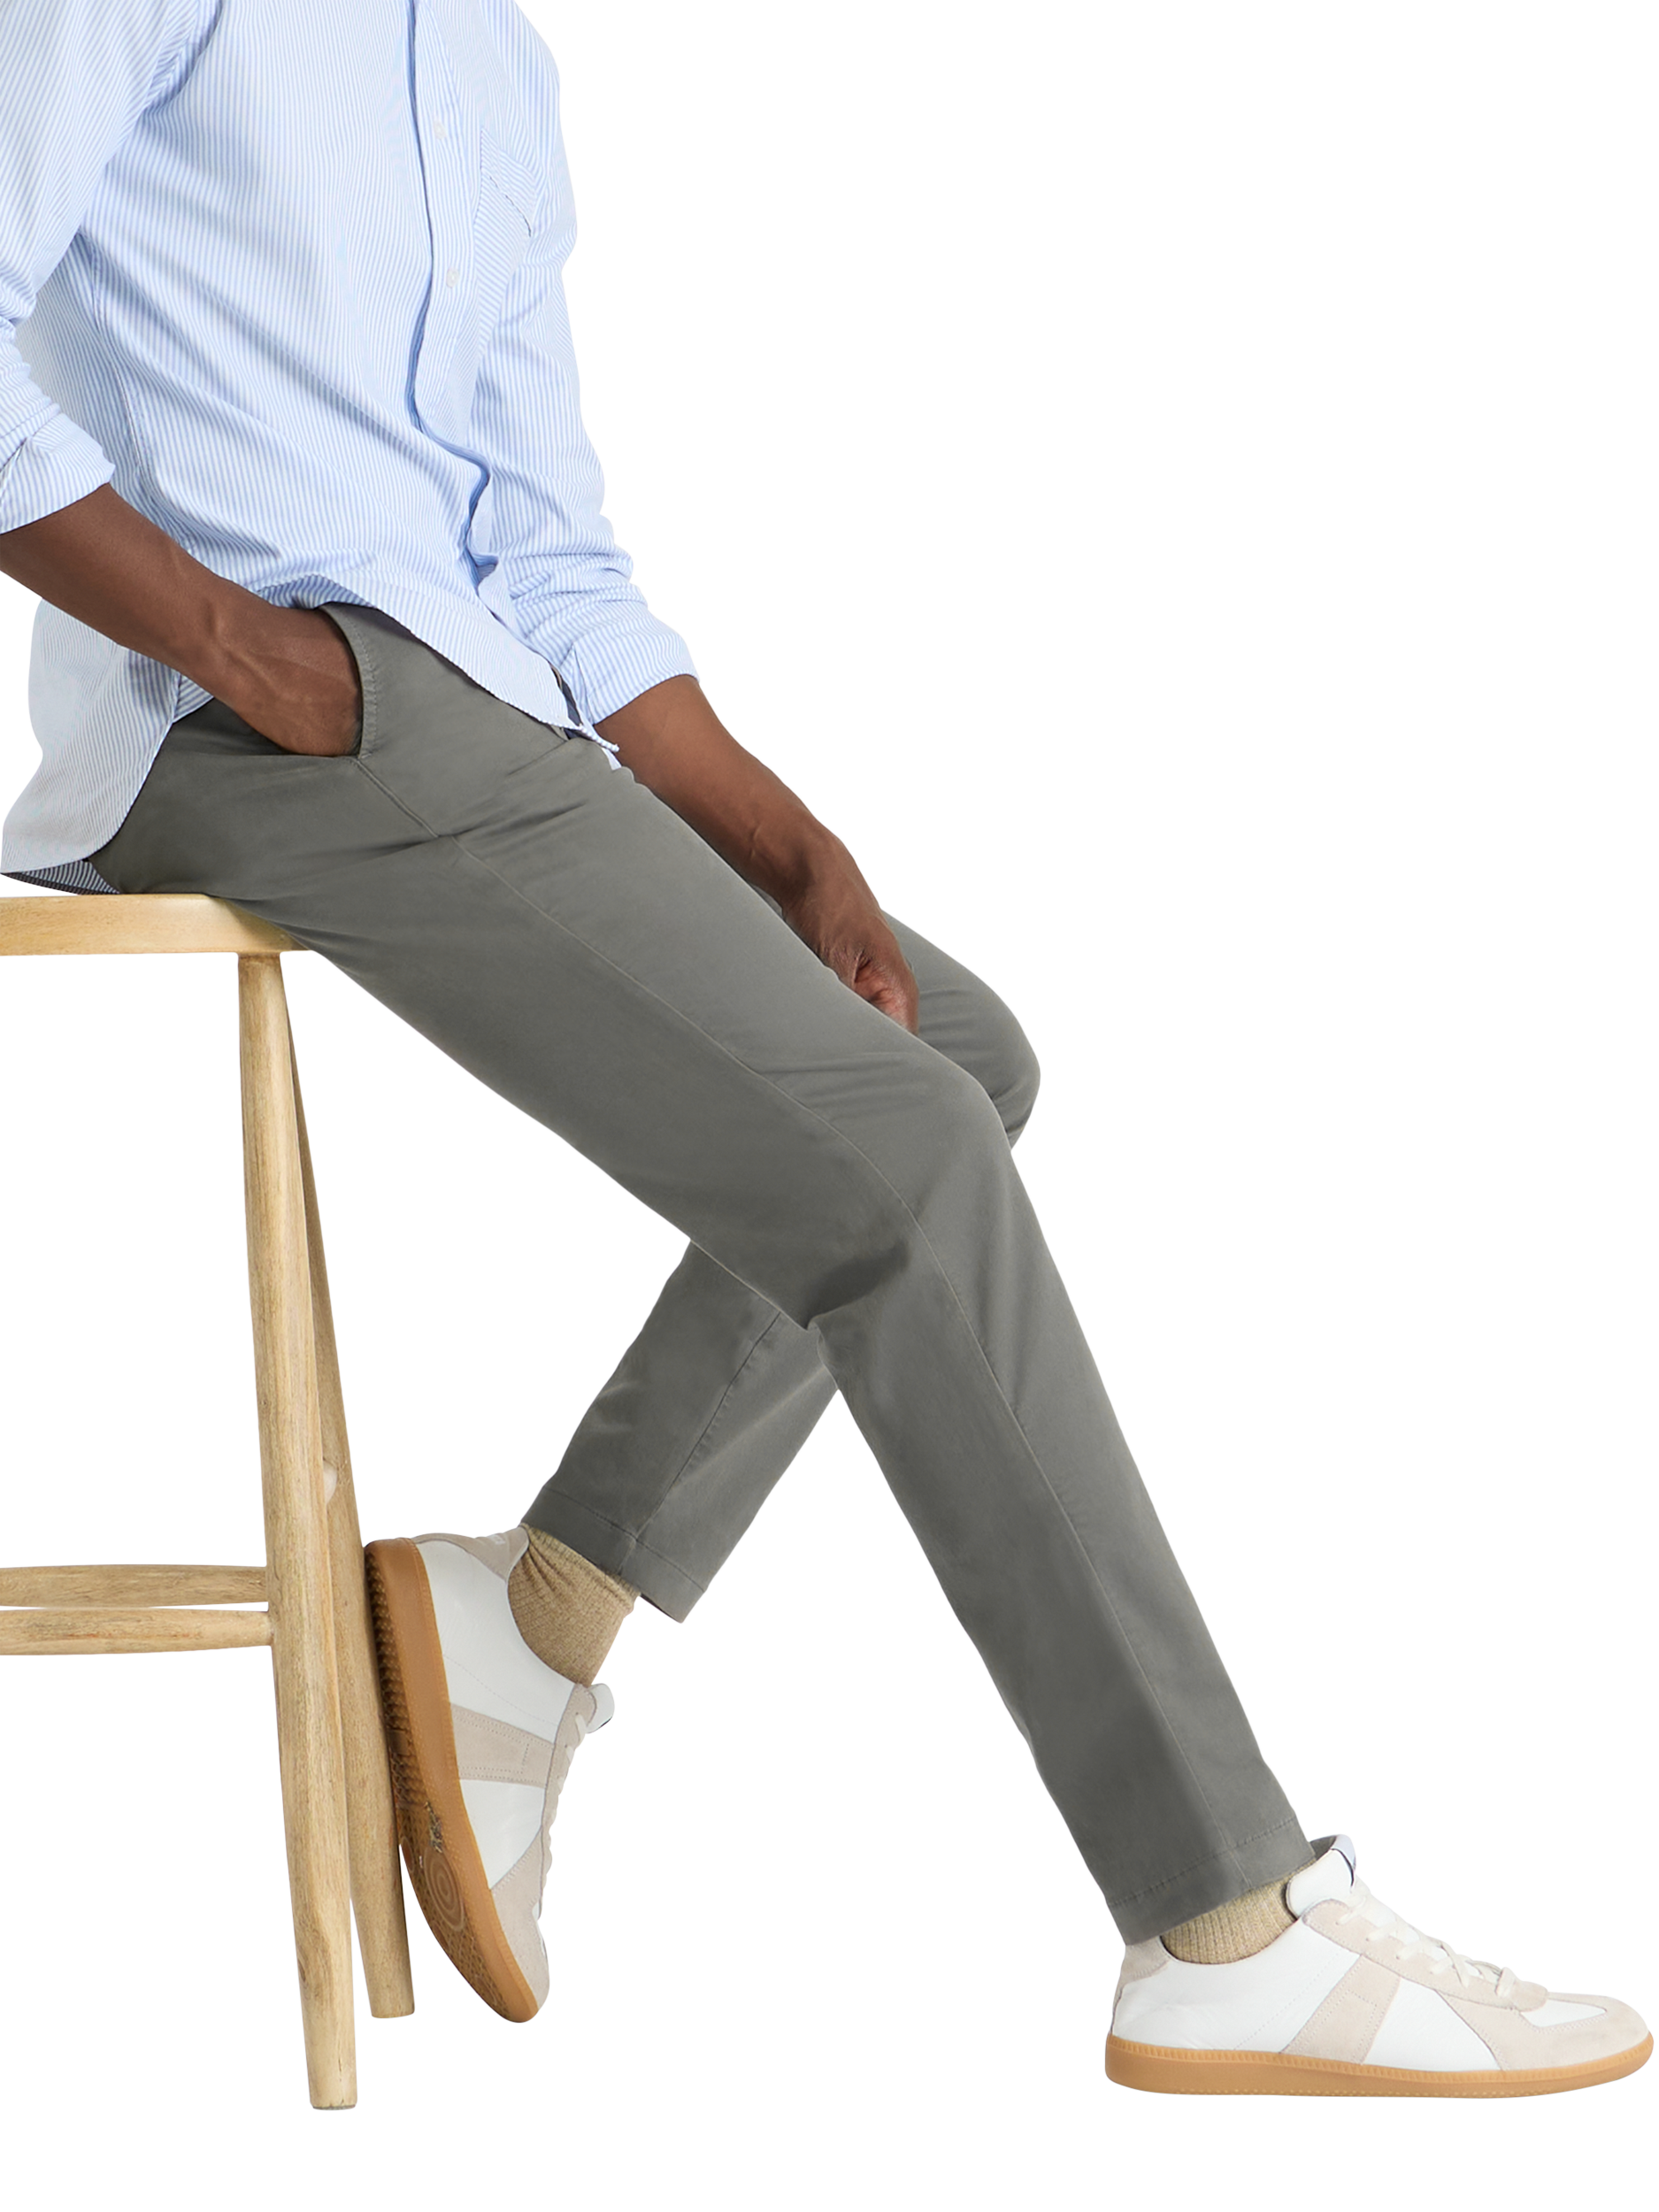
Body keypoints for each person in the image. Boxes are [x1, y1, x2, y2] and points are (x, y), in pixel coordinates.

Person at [0, 0, 1646, 2099]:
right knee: (905, 1156)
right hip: (255, 736)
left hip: (469, 703)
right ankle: (1221, 1915)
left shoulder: (487, 61)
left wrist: (780, 834)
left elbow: (540, 535)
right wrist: (244, 649)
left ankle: (535, 1621)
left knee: (953, 1051)